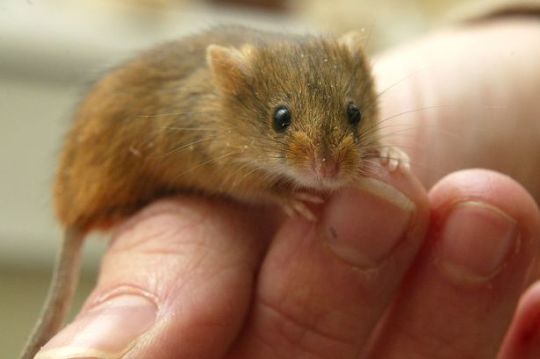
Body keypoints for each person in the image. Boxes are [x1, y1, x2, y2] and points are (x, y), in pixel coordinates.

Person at [35, 15, 540, 359]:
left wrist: (376, 150)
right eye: (282, 120)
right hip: (115, 177)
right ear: (232, 86)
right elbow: (215, 166)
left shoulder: (344, 107)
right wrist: (272, 191)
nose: (326, 159)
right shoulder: (218, 121)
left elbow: (349, 137)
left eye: (352, 117)